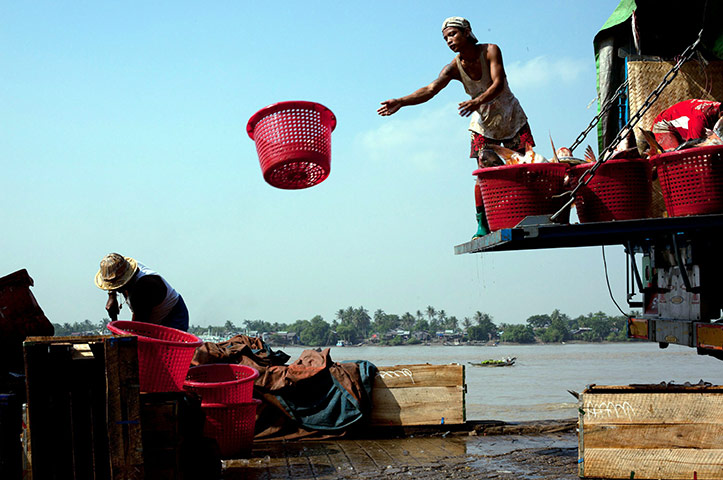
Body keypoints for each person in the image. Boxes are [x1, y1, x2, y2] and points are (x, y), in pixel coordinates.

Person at [377, 16, 535, 238]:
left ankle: (530, 211)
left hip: (511, 117)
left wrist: (476, 101)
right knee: (484, 174)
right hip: (483, 124)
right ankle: (483, 223)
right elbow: (431, 89)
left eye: (453, 34)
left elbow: (498, 83)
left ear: (467, 32)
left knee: (526, 167)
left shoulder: (490, 51)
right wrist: (401, 101)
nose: (449, 41)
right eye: (446, 39)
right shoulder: (453, 68)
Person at [95, 253, 189, 331]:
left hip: (172, 316)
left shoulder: (144, 286)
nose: (118, 289)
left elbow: (139, 326)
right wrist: (112, 296)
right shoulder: (121, 266)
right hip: (150, 316)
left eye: (118, 285)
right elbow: (112, 275)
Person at [652, 99, 722, 150]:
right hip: (662, 125)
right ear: (721, 114)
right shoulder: (700, 119)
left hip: (681, 126)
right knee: (674, 158)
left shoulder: (717, 108)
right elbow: (693, 149)